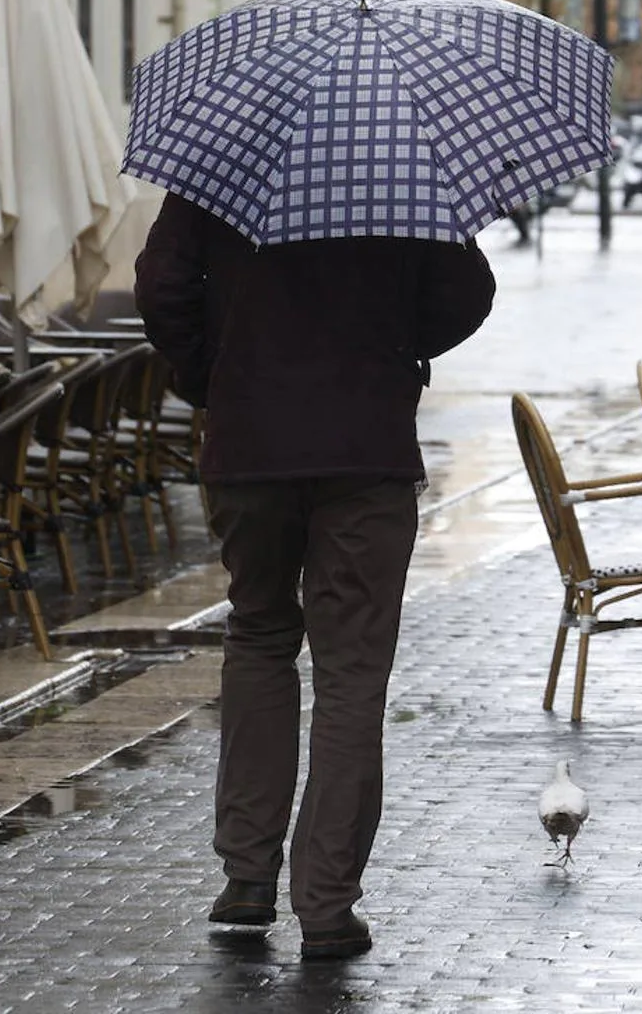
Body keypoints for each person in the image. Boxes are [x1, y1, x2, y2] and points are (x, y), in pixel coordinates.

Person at [135, 193, 495, 961]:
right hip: (366, 450)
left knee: (259, 636)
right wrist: (392, 350)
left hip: (250, 443)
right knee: (352, 675)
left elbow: (162, 285)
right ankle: (326, 905)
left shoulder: (222, 156)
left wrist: (217, 374)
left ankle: (246, 878)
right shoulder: (398, 161)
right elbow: (468, 292)